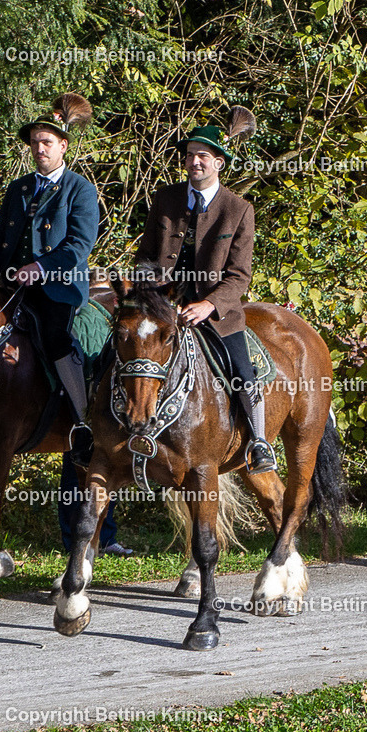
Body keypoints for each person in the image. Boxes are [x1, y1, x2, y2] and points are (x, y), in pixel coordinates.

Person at [135, 106, 277, 474]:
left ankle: (259, 442)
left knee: (243, 371)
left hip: (215, 314)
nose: (193, 161)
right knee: (116, 351)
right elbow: (146, 256)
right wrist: (150, 292)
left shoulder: (238, 209)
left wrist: (208, 305)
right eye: (189, 154)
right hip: (162, 305)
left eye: (202, 155)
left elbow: (239, 276)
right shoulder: (164, 199)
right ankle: (95, 428)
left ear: (218, 163)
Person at [0, 93, 99, 467]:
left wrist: (41, 267)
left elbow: (79, 244)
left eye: (46, 142)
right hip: (12, 284)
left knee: (55, 337)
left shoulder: (79, 189)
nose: (39, 149)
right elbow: (0, 239)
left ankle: (82, 422)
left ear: (63, 145)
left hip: (58, 286)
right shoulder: (17, 188)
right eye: (34, 143)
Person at [57, 451, 133, 557]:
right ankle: (73, 544)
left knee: (105, 479)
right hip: (78, 437)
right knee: (74, 477)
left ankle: (106, 541)